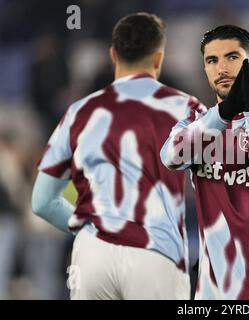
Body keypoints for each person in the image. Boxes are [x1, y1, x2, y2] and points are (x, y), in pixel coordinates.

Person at [31, 12, 204, 300]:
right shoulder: (187, 108)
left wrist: (87, 228)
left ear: (113, 55)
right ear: (159, 58)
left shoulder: (79, 112)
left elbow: (41, 202)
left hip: (92, 256)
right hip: (156, 251)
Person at [160, 25, 249, 299]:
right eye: (212, 60)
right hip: (215, 291)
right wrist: (225, 112)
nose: (221, 68)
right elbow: (170, 157)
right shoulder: (194, 123)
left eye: (232, 57)